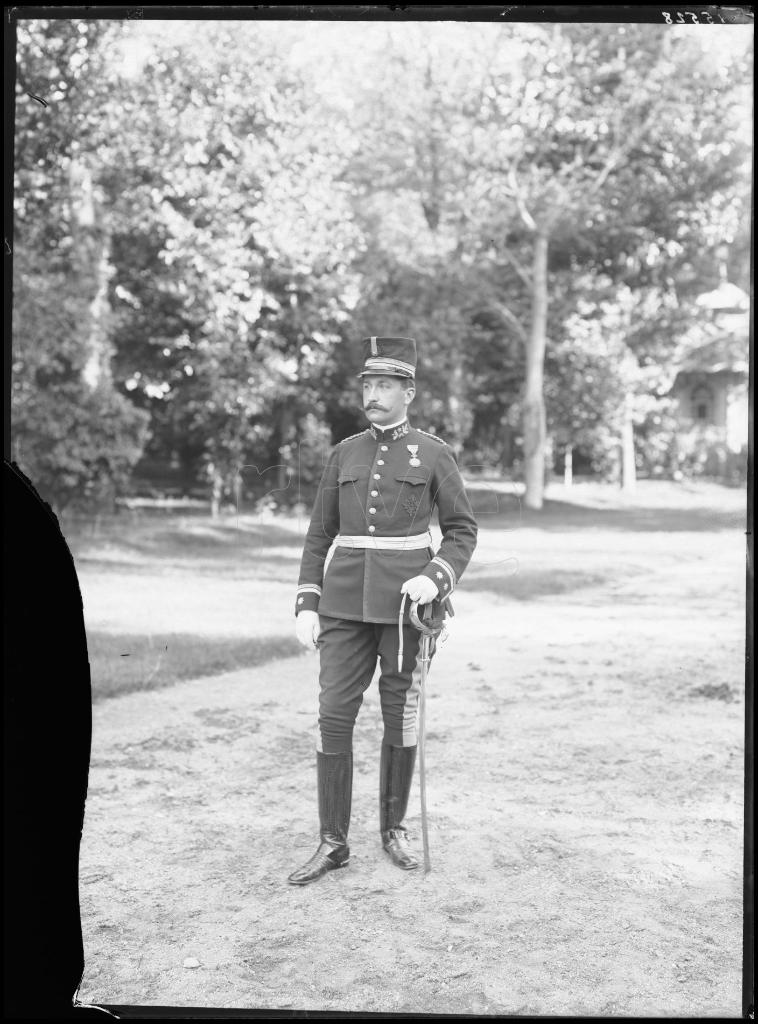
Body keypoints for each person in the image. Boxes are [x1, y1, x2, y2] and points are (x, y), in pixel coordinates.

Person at [288, 336, 478, 886]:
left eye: (385, 386)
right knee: (333, 714)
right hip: (344, 606)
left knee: (400, 714)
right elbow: (319, 533)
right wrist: (307, 602)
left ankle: (393, 830)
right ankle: (332, 842)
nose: (373, 395)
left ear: (408, 392)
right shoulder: (343, 453)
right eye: (368, 385)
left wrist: (435, 578)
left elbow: (462, 531)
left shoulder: (433, 454)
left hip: (405, 608)